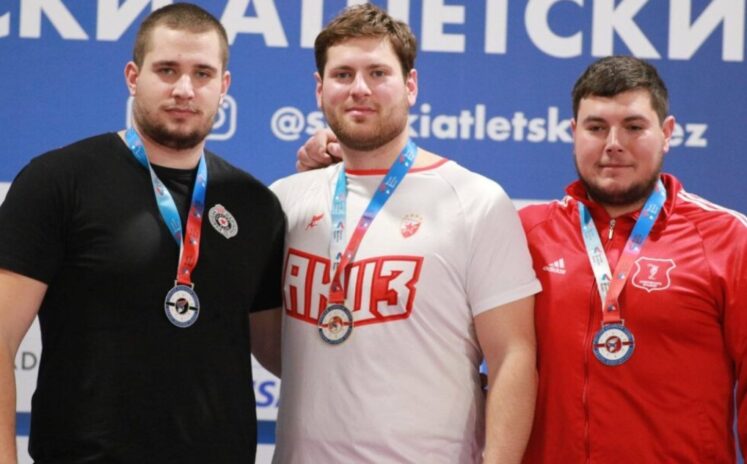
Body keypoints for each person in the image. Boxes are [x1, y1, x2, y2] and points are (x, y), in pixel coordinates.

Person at [298, 55, 747, 462]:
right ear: (573, 132)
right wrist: (349, 161)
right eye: (595, 127)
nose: (613, 143)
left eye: (633, 127)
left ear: (666, 133)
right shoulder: (522, 232)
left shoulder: (728, 239)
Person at [0, 4, 284, 463]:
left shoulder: (256, 205)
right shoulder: (59, 181)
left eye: (203, 74)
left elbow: (281, 353)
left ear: (224, 86)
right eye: (167, 70)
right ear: (133, 77)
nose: (184, 89)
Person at [258, 4, 541, 463]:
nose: (360, 88)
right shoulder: (285, 200)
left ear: (411, 85)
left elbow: (513, 356)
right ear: (319, 88)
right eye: (343, 74)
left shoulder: (474, 201)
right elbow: (275, 345)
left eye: (378, 73)